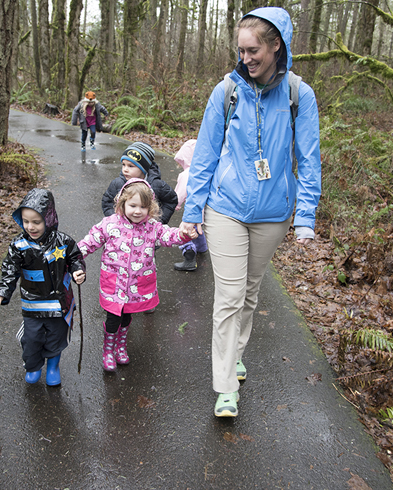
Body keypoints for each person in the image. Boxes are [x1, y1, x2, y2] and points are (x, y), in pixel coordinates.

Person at [180, 7, 321, 417]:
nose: (246, 58)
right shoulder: (227, 91)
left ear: (277, 44)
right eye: (241, 51)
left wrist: (306, 216)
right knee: (229, 294)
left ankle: (235, 353)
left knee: (250, 290)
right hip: (225, 208)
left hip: (273, 213)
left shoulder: (299, 95)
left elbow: (308, 160)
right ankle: (225, 386)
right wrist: (193, 210)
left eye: (254, 49)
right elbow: (205, 154)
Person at [78, 179, 196, 372]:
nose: (137, 211)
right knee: (113, 317)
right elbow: (90, 241)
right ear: (122, 203)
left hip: (135, 284)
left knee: (127, 315)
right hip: (114, 283)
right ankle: (108, 349)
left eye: (143, 207)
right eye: (132, 205)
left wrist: (184, 235)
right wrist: (73, 255)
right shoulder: (109, 224)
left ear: (151, 208)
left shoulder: (152, 226)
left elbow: (168, 236)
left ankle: (121, 345)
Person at [0, 189, 86, 386]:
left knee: (56, 338)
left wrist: (77, 271)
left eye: (36, 222)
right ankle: (32, 366)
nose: (30, 227)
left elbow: (75, 258)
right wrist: (0, 295)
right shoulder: (19, 246)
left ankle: (53, 366)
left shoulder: (63, 241)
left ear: (48, 219)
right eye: (26, 221)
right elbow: (9, 270)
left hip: (59, 303)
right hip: (33, 304)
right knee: (31, 339)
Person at [101, 142, 179, 225]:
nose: (125, 169)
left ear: (143, 168)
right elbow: (107, 202)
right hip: (122, 231)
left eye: (131, 166)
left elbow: (171, 200)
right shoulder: (118, 183)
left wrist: (159, 220)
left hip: (147, 232)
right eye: (123, 165)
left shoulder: (156, 185)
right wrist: (116, 221)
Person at [172, 139, 208, 271]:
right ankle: (202, 247)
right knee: (198, 229)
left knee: (186, 233)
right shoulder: (205, 172)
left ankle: (189, 260)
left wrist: (175, 204)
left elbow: (180, 192)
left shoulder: (186, 174)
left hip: (194, 210)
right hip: (206, 210)